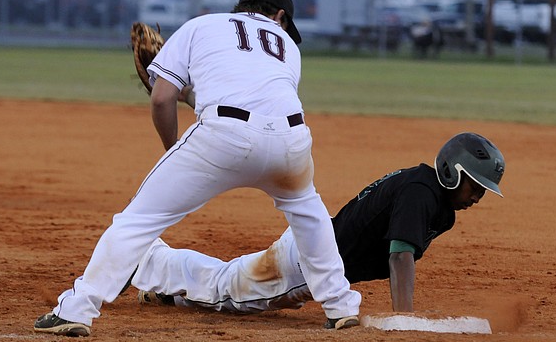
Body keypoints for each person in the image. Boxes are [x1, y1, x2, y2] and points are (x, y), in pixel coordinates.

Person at [34, 0, 362, 337]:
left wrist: (174, 150)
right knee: (309, 214)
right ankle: (341, 306)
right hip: (292, 141)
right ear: (279, 16)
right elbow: (255, 102)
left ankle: (77, 309)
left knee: (138, 219)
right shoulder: (286, 47)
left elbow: (163, 99)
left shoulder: (201, 25)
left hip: (222, 136)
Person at [132, 133, 505, 317]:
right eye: (475, 186)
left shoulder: (431, 197)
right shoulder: (421, 193)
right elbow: (399, 257)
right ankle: (147, 259)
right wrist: (403, 321)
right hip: (307, 262)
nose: (478, 197)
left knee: (229, 288)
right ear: (451, 172)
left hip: (315, 252)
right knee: (225, 290)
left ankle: (167, 289)